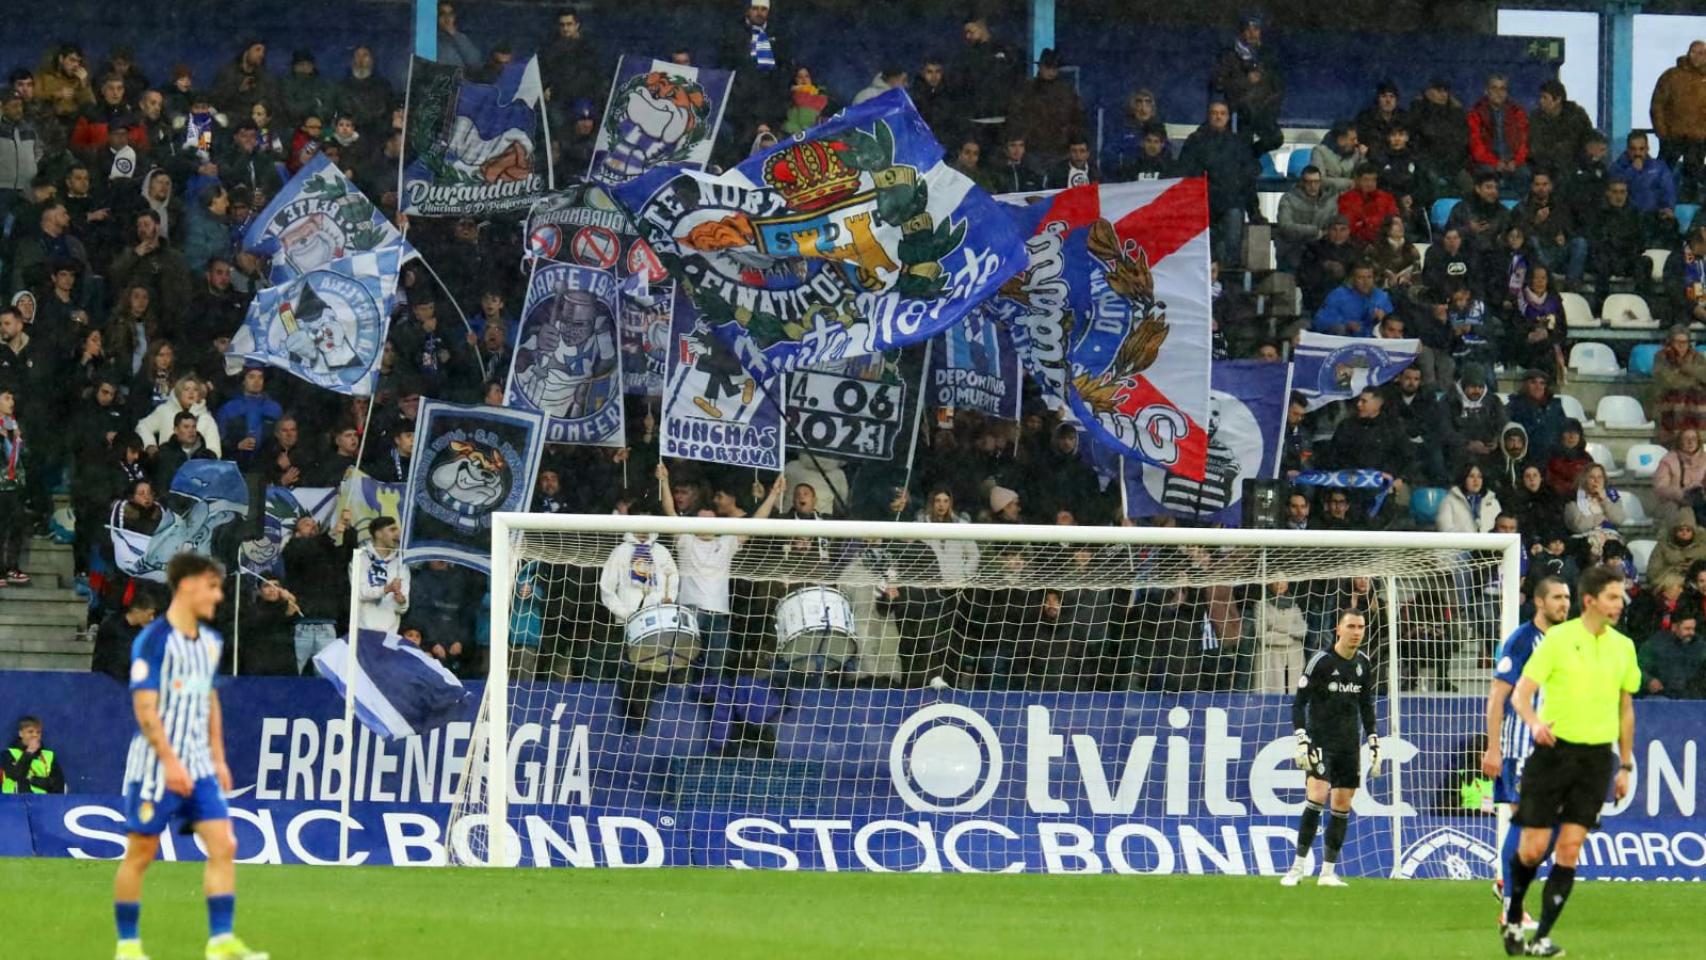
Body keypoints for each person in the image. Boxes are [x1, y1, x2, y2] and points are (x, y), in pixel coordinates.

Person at [114, 553, 267, 960]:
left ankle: (220, 942)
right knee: (141, 853)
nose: (218, 595)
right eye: (212, 586)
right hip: (154, 767)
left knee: (224, 843)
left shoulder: (211, 642)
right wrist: (169, 762)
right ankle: (128, 946)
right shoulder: (154, 640)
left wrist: (218, 758)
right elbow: (145, 709)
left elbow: (209, 700)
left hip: (198, 765)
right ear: (187, 586)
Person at [1502, 564, 1639, 957]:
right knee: (1532, 849)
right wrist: (1533, 724)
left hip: (1596, 759)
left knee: (1571, 847)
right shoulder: (1559, 640)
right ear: (1590, 600)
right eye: (1613, 596)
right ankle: (1513, 918)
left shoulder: (1623, 647)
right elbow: (1520, 694)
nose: (1620, 603)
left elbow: (1625, 708)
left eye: (1621, 596)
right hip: (1553, 752)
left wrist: (1625, 765)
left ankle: (1541, 937)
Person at [1480, 575, 1570, 929]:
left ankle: (1507, 882)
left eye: (1566, 597)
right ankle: (1511, 908)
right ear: (1539, 602)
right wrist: (1493, 748)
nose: (1564, 603)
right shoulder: (1521, 641)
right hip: (1521, 749)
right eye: (1557, 598)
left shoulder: (1565, 640)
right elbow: (1498, 697)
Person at [1280, 609, 1380, 887]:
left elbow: (1366, 707)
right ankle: (1297, 868)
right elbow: (1299, 703)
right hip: (1320, 741)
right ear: (1338, 629)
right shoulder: (1321, 661)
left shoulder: (1363, 664)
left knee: (1342, 804)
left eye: (1360, 626)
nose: (1357, 631)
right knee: (1318, 795)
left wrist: (1373, 739)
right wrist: (1301, 738)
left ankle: (1327, 872)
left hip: (1349, 744)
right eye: (1351, 626)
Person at [658, 465, 785, 676]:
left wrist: (774, 494)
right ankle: (680, 701)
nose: (707, 525)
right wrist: (663, 480)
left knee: (717, 665)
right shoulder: (686, 541)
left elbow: (756, 523)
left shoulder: (727, 543)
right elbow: (670, 511)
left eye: (711, 520)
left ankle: (712, 701)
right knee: (683, 663)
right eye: (702, 521)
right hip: (691, 612)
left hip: (719, 613)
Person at [1650, 41, 1706, 201]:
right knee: (1662, 175)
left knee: (1692, 179)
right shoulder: (1672, 76)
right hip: (1672, 136)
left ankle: (1689, 215)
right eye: (1693, 52)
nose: (1696, 56)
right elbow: (1658, 104)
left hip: (1699, 139)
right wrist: (1662, 132)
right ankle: (1658, 206)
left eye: (1701, 53)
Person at [1467, 74, 1529, 192]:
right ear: (1487, 91)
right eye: (1494, 88)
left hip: (1513, 162)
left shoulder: (1518, 113)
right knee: (1487, 174)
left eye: (1502, 88)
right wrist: (1495, 163)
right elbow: (1476, 146)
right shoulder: (1476, 114)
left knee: (1525, 174)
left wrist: (1515, 162)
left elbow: (1524, 142)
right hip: (1487, 162)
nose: (1498, 92)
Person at [1275, 165, 1338, 271]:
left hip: (1320, 251)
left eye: (1316, 182)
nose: (1313, 186)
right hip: (1292, 249)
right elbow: (1285, 226)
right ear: (1302, 182)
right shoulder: (1288, 199)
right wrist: (1314, 231)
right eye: (1309, 182)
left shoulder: (1330, 201)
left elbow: (1333, 226)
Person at [93, 588, 160, 683]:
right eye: (149, 614)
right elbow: (101, 657)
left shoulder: (144, 632)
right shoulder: (112, 625)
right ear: (137, 611)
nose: (152, 619)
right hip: (109, 681)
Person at [355, 516, 409, 633]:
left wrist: (401, 601)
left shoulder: (401, 564)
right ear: (378, 534)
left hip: (390, 633)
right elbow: (360, 593)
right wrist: (386, 589)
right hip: (363, 630)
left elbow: (403, 608)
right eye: (392, 529)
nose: (398, 534)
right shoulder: (360, 558)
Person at [1638, 609, 1706, 699]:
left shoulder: (1700, 646)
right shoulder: (1655, 644)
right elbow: (1637, 668)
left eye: (1693, 629)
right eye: (1687, 629)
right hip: (1661, 696)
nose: (1691, 633)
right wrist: (1649, 681)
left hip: (1693, 698)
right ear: (1674, 627)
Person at [2, 715, 65, 794]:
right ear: (21, 734)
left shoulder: (49, 755)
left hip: (44, 802)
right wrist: (29, 752)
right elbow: (15, 776)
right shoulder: (8, 754)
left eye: (38, 732)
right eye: (30, 732)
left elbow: (58, 784)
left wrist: (32, 779)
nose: (35, 735)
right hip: (16, 802)